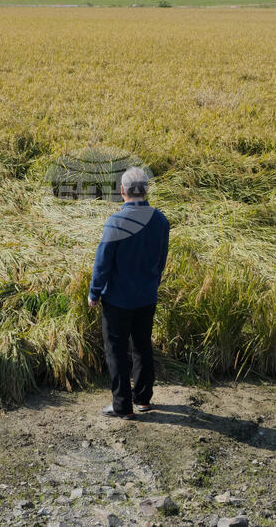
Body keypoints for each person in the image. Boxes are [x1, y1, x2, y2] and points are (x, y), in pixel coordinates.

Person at [88, 166, 170, 419]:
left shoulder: (115, 222)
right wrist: (152, 283)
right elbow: (161, 259)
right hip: (146, 297)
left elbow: (103, 262)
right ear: (146, 190)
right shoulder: (161, 220)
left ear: (122, 191)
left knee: (116, 350)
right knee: (143, 346)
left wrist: (94, 292)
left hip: (117, 300)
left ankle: (122, 406)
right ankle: (144, 399)